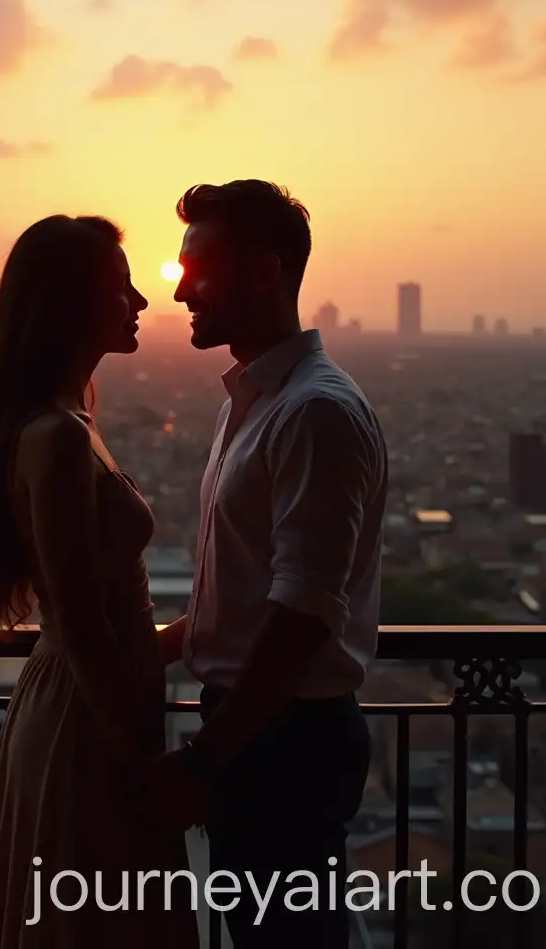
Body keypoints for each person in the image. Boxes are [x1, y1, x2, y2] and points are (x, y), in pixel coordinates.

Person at [147, 180, 388, 946]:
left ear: (266, 273)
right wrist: (155, 647)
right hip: (265, 732)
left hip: (282, 743)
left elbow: (303, 614)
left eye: (199, 267)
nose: (179, 288)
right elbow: (256, 595)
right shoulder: (254, 404)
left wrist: (205, 761)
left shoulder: (312, 411)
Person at [0, 215, 199, 948]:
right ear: (70, 303)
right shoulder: (60, 435)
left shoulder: (72, 419)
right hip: (89, 719)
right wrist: (140, 758)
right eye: (119, 285)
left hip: (87, 704)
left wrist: (191, 633)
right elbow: (80, 620)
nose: (140, 299)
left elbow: (102, 618)